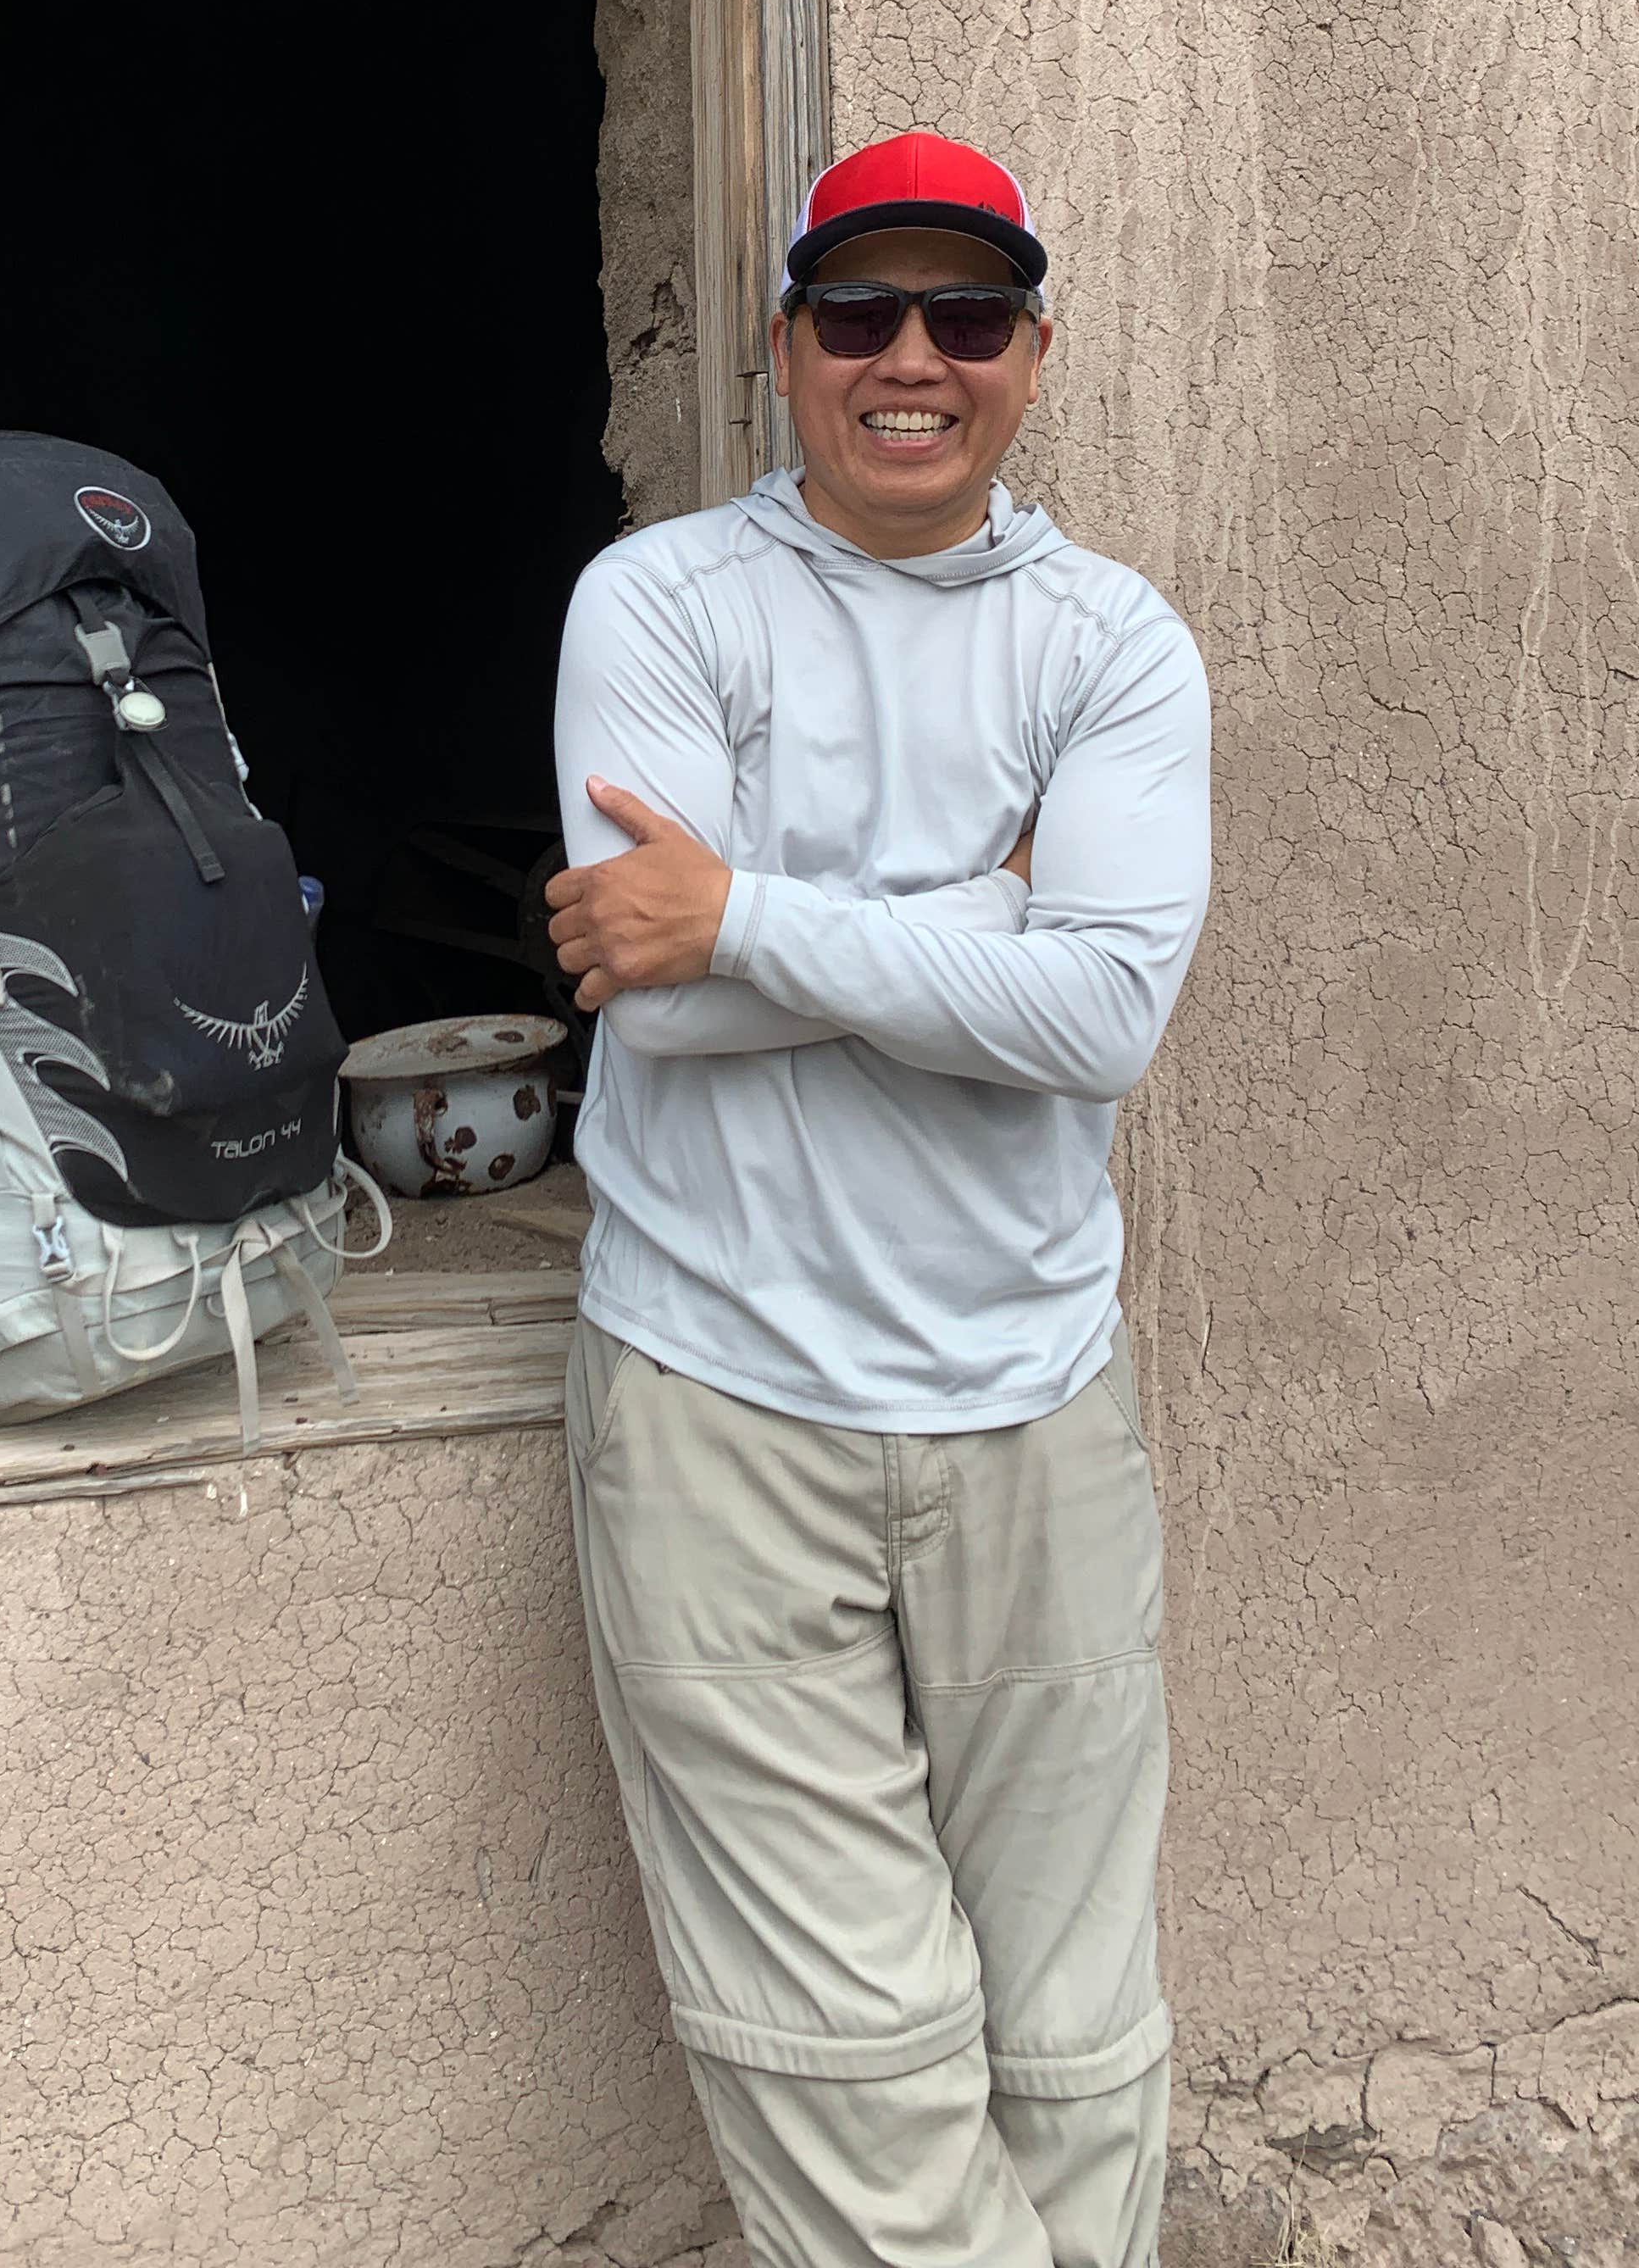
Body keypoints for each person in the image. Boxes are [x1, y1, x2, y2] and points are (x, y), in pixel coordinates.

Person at [547, 131, 1212, 2268]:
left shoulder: (1114, 645)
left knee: (1079, 2034)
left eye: (965, 316)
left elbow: (1101, 1010)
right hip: (726, 1397)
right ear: (783, 348)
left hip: (1035, 1398)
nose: (908, 359)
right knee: (840, 2042)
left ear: (1033, 353)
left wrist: (739, 913)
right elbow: (662, 1019)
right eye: (860, 314)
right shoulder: (659, 601)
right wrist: (979, 925)